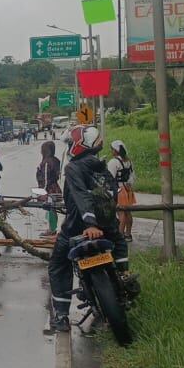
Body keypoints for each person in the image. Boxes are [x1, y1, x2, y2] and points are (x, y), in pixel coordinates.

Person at [47, 125, 130, 334]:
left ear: (79, 143)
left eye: (69, 142)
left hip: (78, 226)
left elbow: (81, 196)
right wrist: (105, 224)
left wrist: (91, 224)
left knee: (58, 265)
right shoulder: (101, 167)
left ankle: (61, 315)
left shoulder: (74, 168)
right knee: (119, 242)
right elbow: (112, 194)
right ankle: (124, 277)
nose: (68, 146)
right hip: (108, 226)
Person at [107, 140, 136, 241]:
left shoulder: (113, 162)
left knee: (121, 213)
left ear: (115, 150)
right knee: (128, 212)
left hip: (119, 190)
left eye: (112, 149)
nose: (111, 151)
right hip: (128, 189)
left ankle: (119, 235)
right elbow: (133, 175)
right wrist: (129, 184)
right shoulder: (128, 161)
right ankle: (128, 234)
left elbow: (109, 177)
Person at [36, 140, 62, 239]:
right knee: (52, 209)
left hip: (50, 190)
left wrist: (44, 192)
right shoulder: (55, 160)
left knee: (51, 209)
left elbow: (46, 178)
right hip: (54, 188)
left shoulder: (47, 162)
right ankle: (52, 228)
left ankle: (52, 230)